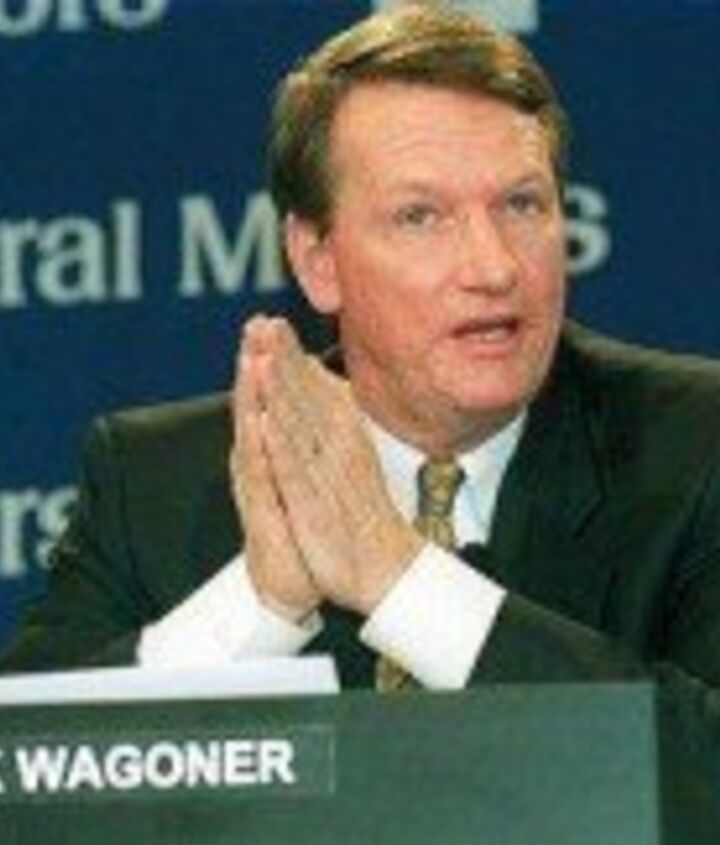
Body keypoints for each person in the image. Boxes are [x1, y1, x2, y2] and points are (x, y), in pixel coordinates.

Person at [2, 6, 720, 834]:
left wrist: (398, 577)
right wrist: (262, 604)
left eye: (523, 204)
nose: (493, 266)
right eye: (422, 216)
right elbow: (23, 794)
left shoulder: (694, 448)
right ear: (317, 260)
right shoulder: (158, 482)